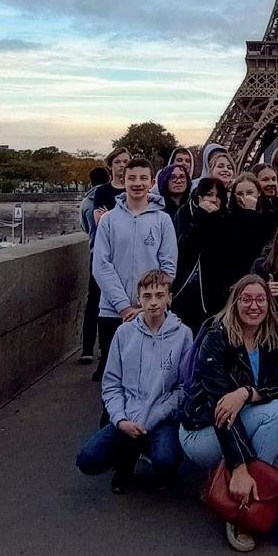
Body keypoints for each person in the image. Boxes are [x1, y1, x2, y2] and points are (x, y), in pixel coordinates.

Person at [179, 275, 278, 554]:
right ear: (235, 302)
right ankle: (240, 506)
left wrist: (245, 393)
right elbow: (221, 410)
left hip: (241, 415)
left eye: (260, 299)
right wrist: (240, 469)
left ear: (269, 303)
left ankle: (239, 485)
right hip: (203, 430)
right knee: (276, 415)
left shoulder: (271, 337)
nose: (254, 306)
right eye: (246, 299)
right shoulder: (216, 337)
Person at [76, 270, 192, 493]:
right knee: (87, 460)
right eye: (147, 296)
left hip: (161, 415)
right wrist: (120, 419)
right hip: (128, 414)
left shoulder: (183, 334)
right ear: (139, 299)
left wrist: (155, 416)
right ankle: (126, 459)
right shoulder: (124, 333)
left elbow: (184, 387)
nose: (153, 302)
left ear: (169, 298)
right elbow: (111, 384)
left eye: (159, 295)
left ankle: (159, 461)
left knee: (166, 459)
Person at [92, 158, 177, 382]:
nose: (137, 183)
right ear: (123, 181)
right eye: (132, 178)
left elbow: (168, 267)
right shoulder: (108, 220)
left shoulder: (163, 220)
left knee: (149, 376)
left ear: (151, 182)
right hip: (112, 311)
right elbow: (101, 266)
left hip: (150, 311)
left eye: (143, 178)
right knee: (113, 376)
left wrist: (144, 305)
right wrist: (123, 306)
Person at [173, 178, 267, 334]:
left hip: (226, 290)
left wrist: (250, 213)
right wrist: (202, 215)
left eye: (218, 196)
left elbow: (249, 248)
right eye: (209, 194)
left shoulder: (229, 218)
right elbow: (186, 248)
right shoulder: (187, 213)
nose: (214, 200)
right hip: (195, 292)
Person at [79, 165, 110, 366]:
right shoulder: (111, 197)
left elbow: (84, 226)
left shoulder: (86, 202)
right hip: (111, 256)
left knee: (93, 302)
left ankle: (87, 349)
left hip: (94, 253)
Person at [92, 147, 131, 228]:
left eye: (125, 162)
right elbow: (99, 223)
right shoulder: (101, 191)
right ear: (110, 166)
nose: (122, 165)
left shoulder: (137, 189)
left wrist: (109, 216)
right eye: (117, 162)